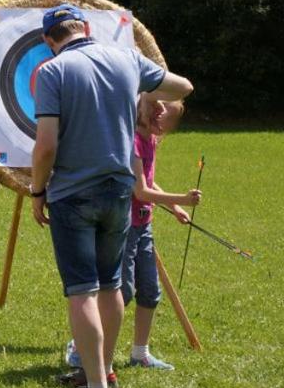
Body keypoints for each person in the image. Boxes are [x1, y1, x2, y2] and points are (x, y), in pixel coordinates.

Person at [29, 4, 193, 388]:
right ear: (85, 27)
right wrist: (142, 87)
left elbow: (46, 145)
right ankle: (102, 368)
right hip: (119, 192)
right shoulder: (127, 59)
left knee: (81, 290)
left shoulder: (52, 71)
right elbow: (184, 87)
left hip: (72, 194)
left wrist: (37, 191)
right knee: (110, 284)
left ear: (49, 41)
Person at [65, 95, 202, 372]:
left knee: (150, 291)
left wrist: (175, 207)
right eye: (162, 119)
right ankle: (80, 346)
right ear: (147, 112)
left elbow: (149, 181)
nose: (164, 128)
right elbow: (140, 191)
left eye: (169, 123)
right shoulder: (134, 143)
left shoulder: (150, 140)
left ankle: (140, 353)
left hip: (144, 226)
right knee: (121, 292)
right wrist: (183, 199)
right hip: (123, 228)